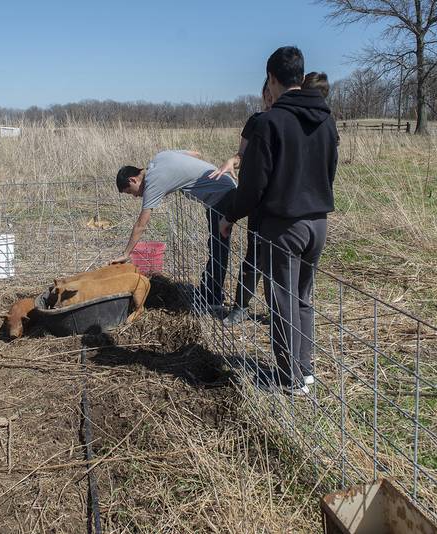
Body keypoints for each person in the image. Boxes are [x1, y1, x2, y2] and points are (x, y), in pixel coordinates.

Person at [220, 46, 338, 395]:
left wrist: (230, 215)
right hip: (318, 223)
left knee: (282, 300)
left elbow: (253, 184)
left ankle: (289, 379)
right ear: (300, 78)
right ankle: (305, 370)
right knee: (302, 298)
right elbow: (329, 171)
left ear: (272, 79)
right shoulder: (326, 120)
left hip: (283, 226)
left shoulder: (270, 123)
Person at [113, 150, 236, 310]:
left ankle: (212, 299)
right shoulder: (159, 157)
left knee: (218, 249)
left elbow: (141, 224)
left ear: (133, 179)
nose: (135, 196)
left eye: (130, 192)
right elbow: (196, 154)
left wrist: (126, 253)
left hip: (222, 196)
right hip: (223, 187)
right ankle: (208, 292)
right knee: (216, 247)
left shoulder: (153, 182)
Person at [208, 80, 274, 326]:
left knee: (279, 263)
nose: (269, 98)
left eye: (272, 93)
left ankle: (277, 312)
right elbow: (241, 154)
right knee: (254, 255)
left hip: (282, 201)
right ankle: (240, 306)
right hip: (257, 199)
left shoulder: (290, 121)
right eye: (265, 93)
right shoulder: (256, 120)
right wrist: (232, 161)